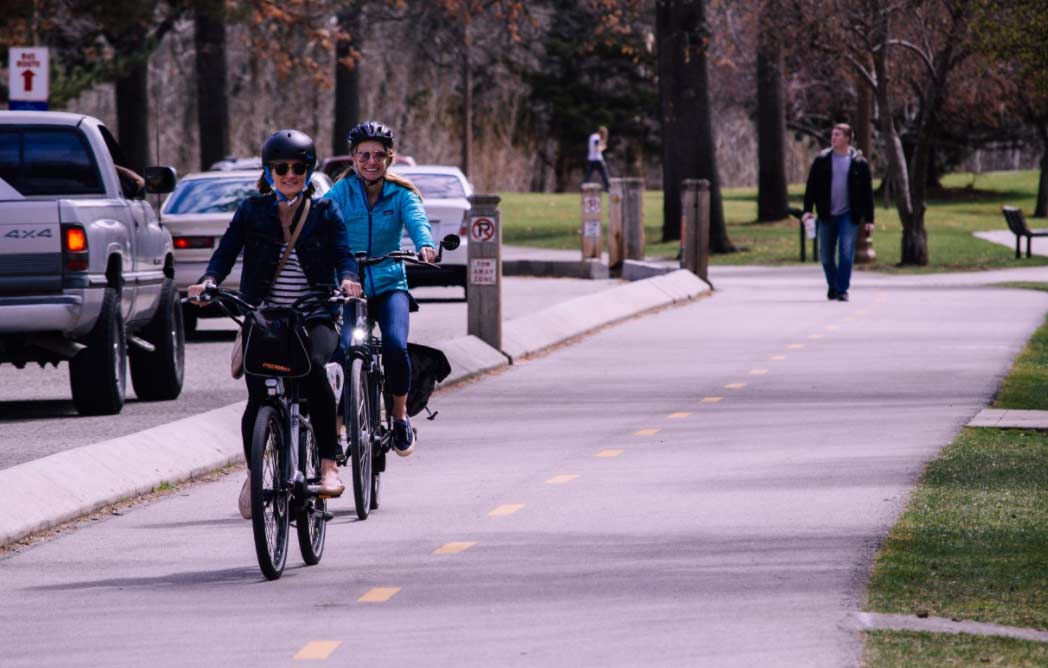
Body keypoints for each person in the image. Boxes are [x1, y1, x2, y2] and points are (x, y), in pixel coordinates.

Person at [187, 129, 361, 518]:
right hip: (263, 317)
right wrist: (210, 282)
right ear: (268, 172)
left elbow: (343, 254)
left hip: (314, 312)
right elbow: (226, 252)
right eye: (280, 168)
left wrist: (349, 279)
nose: (289, 175)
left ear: (309, 170)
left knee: (314, 371)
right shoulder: (252, 210)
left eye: (298, 168)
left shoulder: (324, 212)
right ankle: (255, 471)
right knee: (259, 397)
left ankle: (328, 468)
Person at [324, 121, 435, 457]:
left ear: (390, 158)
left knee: (395, 347)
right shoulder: (339, 193)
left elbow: (418, 221)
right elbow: (320, 221)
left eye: (377, 155)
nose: (370, 162)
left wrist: (425, 245)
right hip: (349, 287)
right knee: (341, 351)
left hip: (389, 285)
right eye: (363, 155)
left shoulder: (402, 194)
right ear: (353, 158)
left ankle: (399, 418)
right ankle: (338, 428)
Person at [802, 123, 875, 302]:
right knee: (826, 256)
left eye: (838, 135)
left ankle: (842, 289)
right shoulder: (822, 160)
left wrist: (870, 219)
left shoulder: (859, 163)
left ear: (847, 138)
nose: (833, 138)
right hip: (827, 213)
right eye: (833, 134)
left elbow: (867, 193)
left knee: (845, 250)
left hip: (848, 215)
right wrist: (807, 210)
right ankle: (833, 285)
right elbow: (811, 187)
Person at [583, 126, 610, 190]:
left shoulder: (592, 136)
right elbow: (597, 149)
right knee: (605, 175)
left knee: (587, 176)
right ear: (602, 133)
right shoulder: (597, 137)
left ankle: (583, 187)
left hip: (590, 159)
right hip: (598, 159)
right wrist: (603, 147)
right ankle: (607, 188)